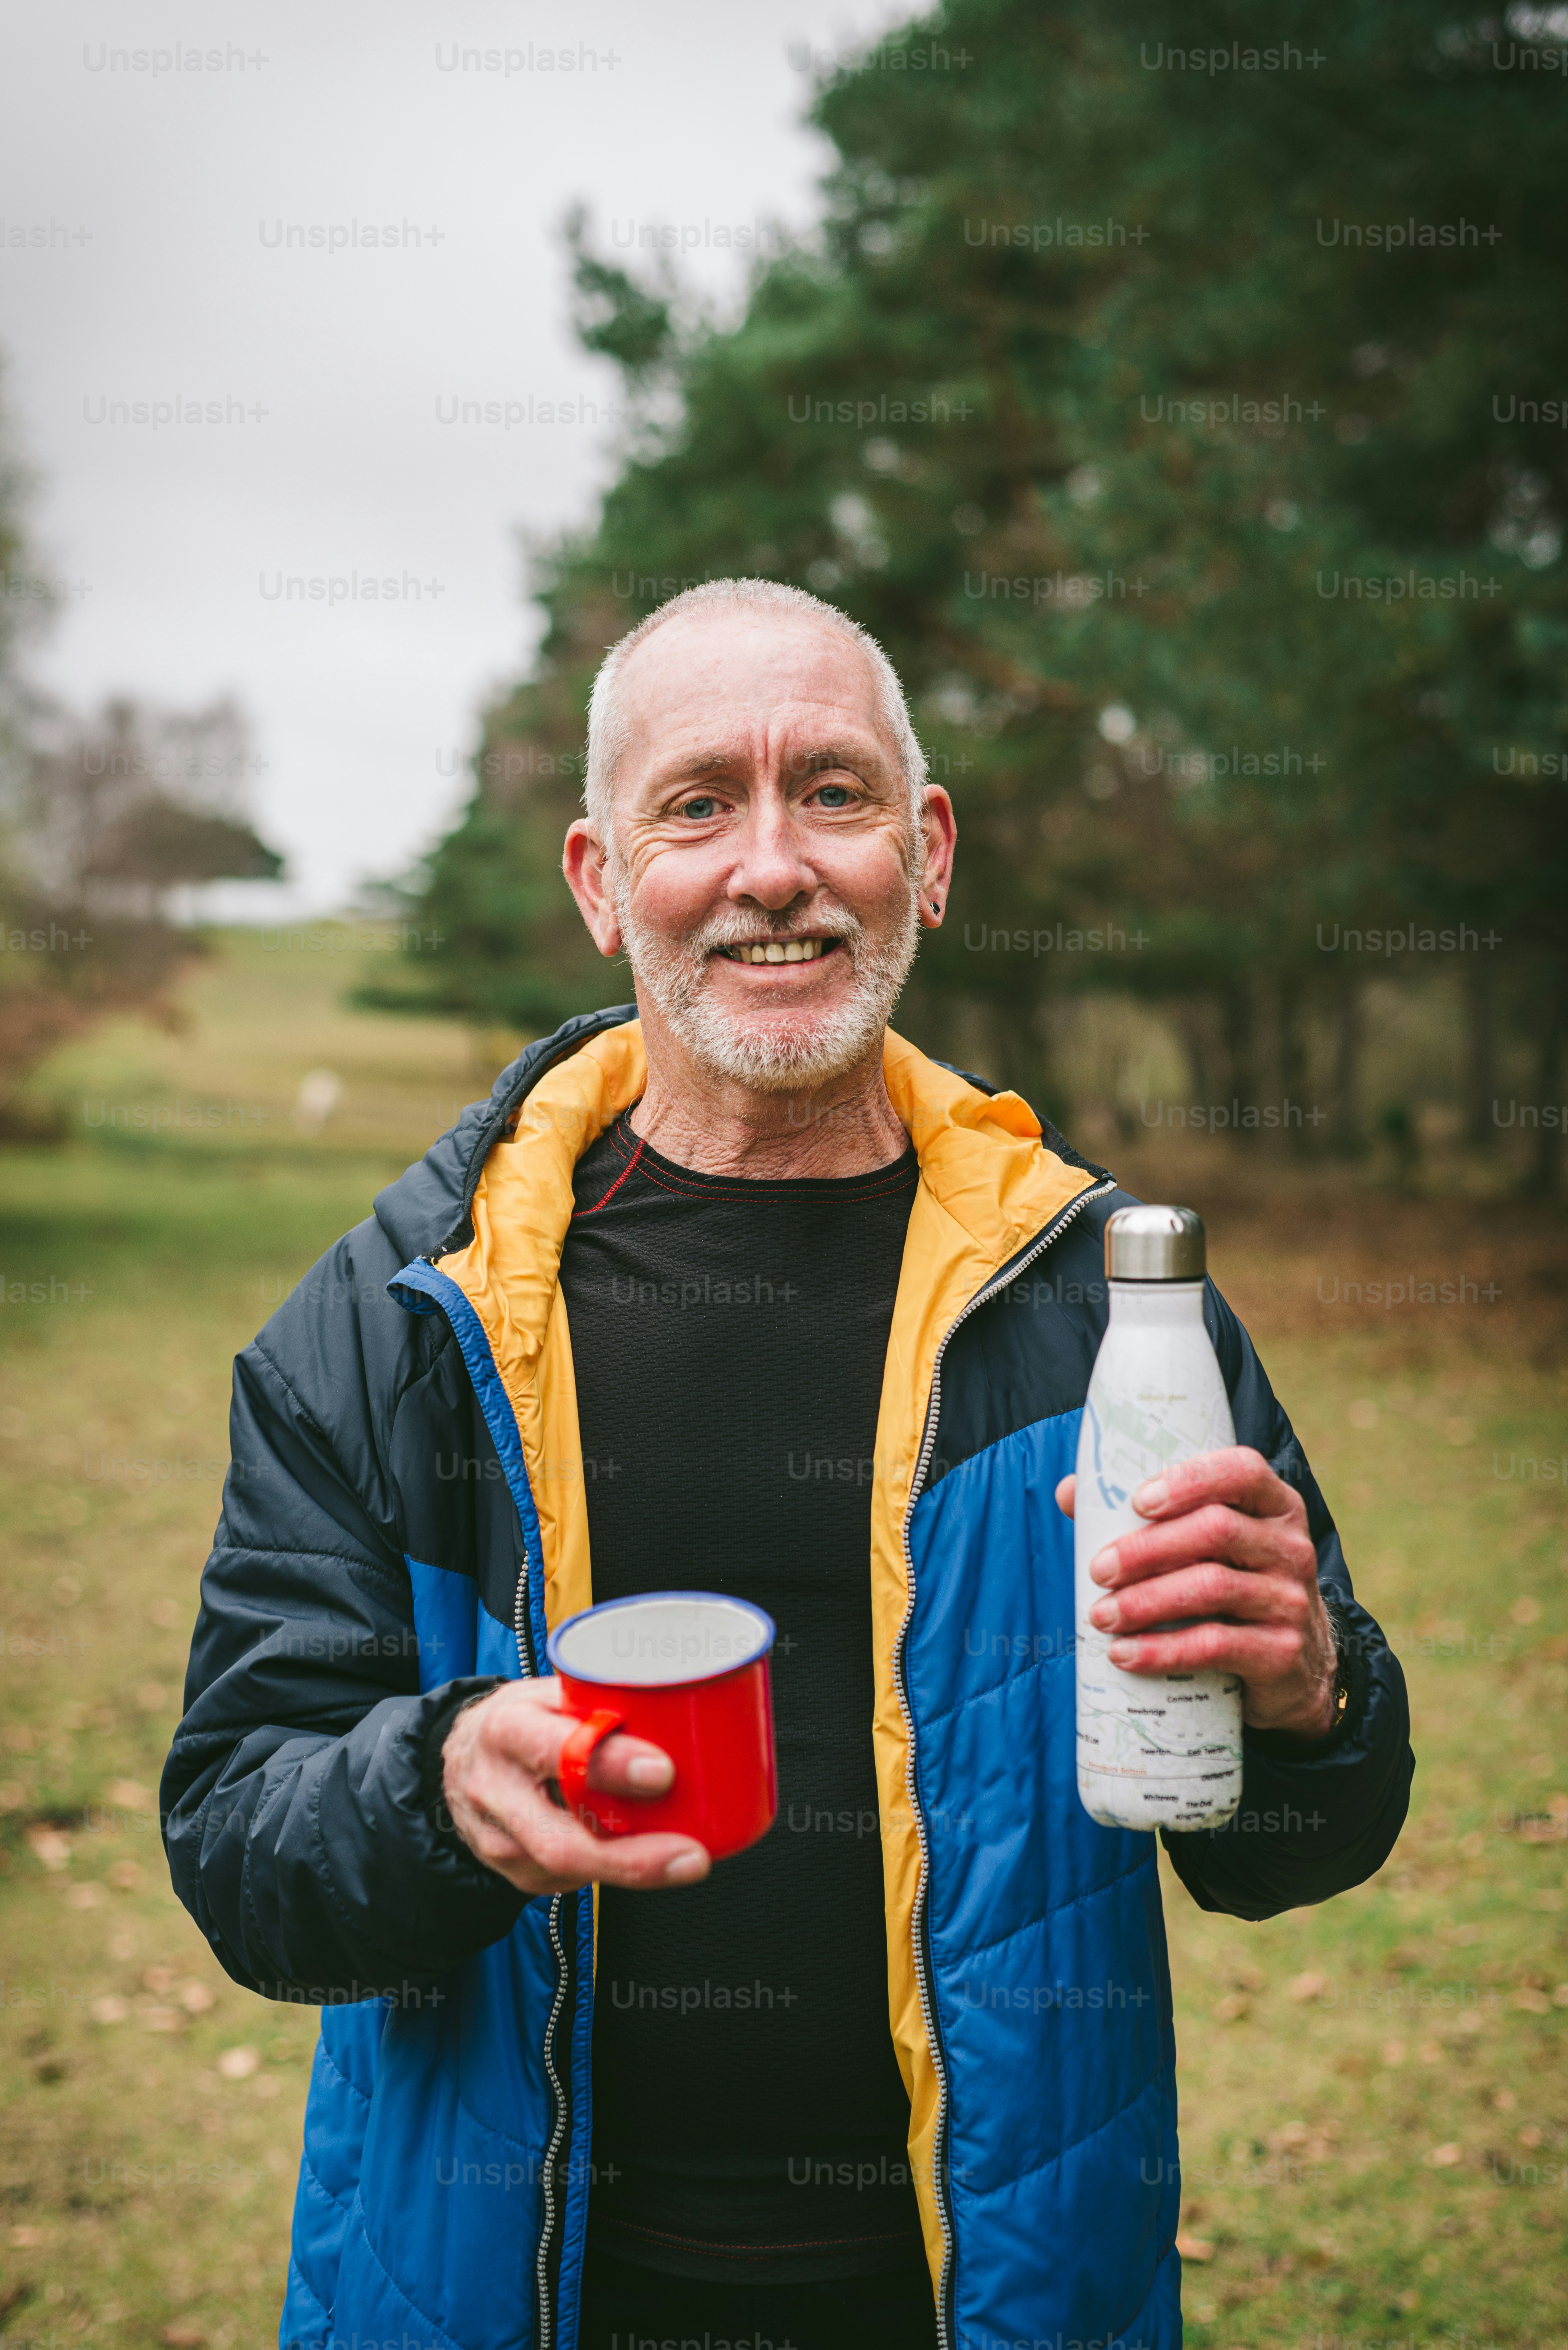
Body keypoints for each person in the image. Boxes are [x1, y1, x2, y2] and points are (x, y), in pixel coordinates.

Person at [162, 579, 1412, 2350]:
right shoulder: (396, 1321)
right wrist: (436, 1791)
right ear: (602, 882)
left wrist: (1309, 1693)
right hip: (499, 2304)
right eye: (697, 805)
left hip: (988, 2304)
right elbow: (242, 1850)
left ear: (929, 852)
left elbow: (1289, 1849)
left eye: (833, 792)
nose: (773, 866)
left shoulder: (1108, 1309)